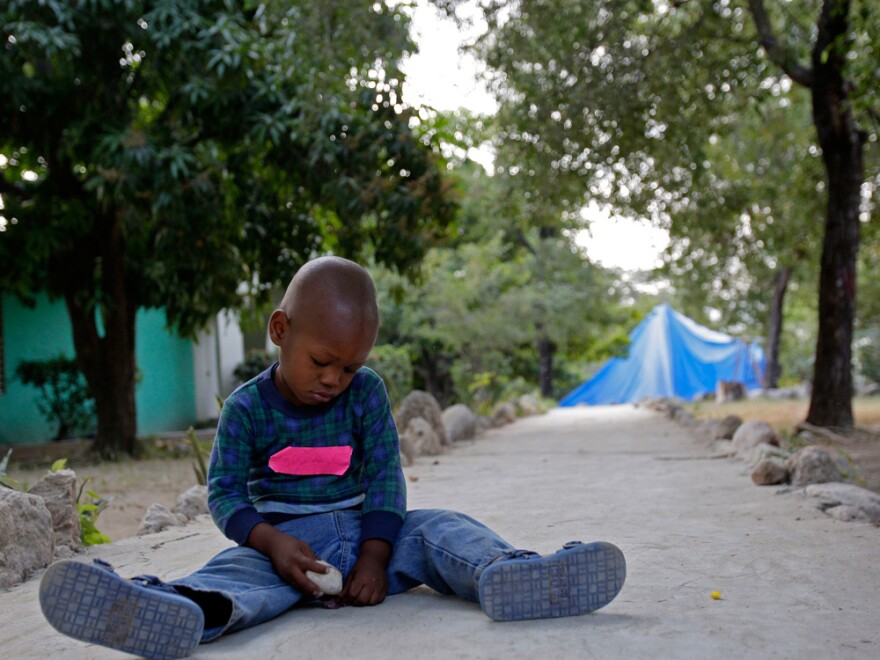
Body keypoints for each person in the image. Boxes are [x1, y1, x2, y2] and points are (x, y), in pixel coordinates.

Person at [39, 256, 626, 660]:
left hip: (377, 540)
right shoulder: (246, 408)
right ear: (280, 329)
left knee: (441, 529)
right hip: (287, 553)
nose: (334, 379)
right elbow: (225, 495)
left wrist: (374, 557)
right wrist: (272, 544)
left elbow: (386, 483)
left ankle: (511, 574)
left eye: (348, 367)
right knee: (237, 576)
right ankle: (181, 610)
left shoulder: (367, 392)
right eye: (322, 361)